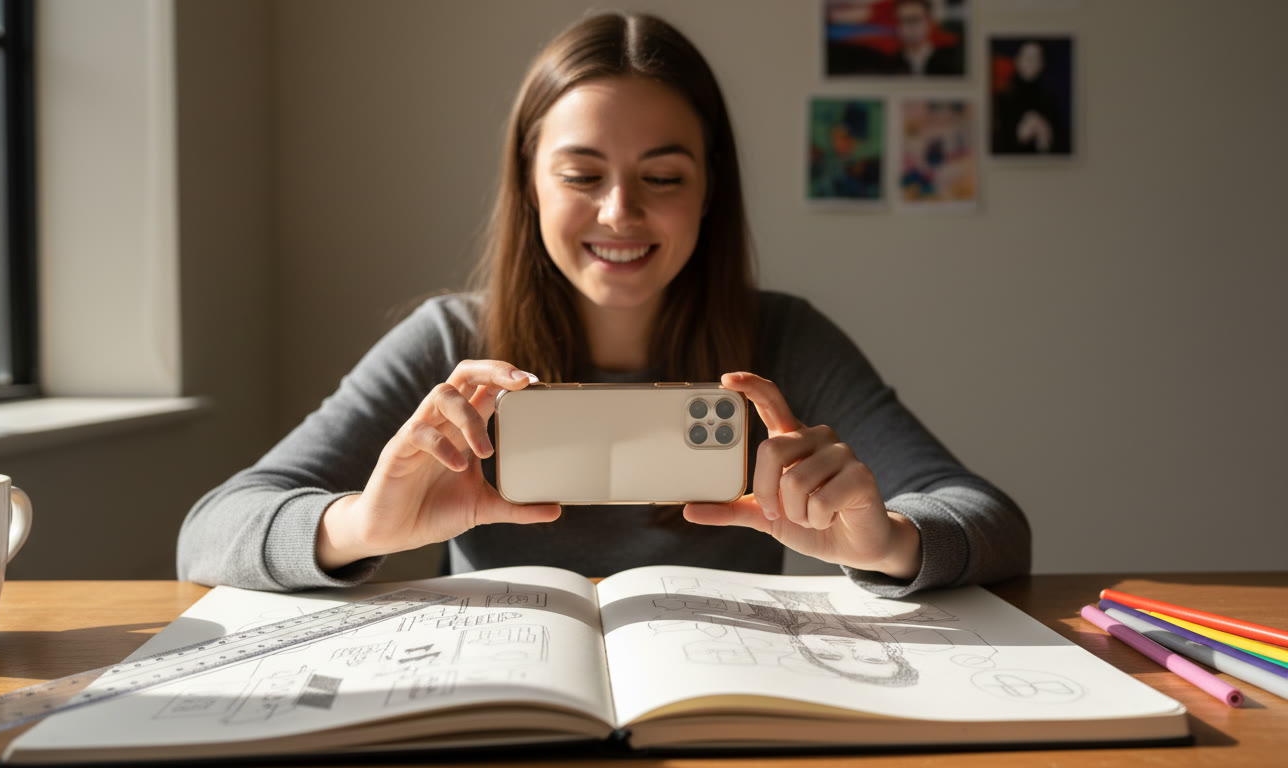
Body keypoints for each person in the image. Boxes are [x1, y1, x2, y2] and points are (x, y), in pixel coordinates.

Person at [177, 11, 1029, 599]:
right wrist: (358, 524)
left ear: (708, 192)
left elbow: (989, 521)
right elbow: (208, 533)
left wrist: (889, 543)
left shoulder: (785, 338)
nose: (620, 213)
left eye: (662, 178)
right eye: (582, 176)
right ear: (530, 186)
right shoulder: (449, 342)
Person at [884, 0, 962, 76]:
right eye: (904, 20)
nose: (910, 27)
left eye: (916, 19)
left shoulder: (950, 61)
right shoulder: (889, 65)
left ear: (929, 21)